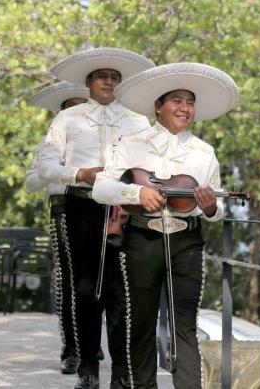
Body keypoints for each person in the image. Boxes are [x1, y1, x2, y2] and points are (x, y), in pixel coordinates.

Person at [92, 62, 240, 389]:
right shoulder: (131, 142)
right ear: (158, 106)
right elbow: (101, 189)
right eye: (176, 100)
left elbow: (217, 209)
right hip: (141, 239)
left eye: (189, 102)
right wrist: (136, 192)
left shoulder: (204, 153)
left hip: (186, 242)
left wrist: (211, 206)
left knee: (184, 326)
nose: (184, 108)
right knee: (140, 324)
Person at [36, 47, 154, 389]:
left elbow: (148, 167)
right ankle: (87, 368)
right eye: (102, 76)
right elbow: (46, 167)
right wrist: (81, 173)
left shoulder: (137, 120)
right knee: (86, 289)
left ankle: (122, 373)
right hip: (81, 207)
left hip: (124, 208)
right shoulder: (66, 119)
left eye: (115, 77)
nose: (109, 81)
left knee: (122, 291)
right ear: (88, 82)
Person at [25, 81, 89, 375]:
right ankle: (71, 350)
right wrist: (53, 168)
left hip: (95, 210)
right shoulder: (50, 143)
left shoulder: (98, 142)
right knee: (66, 280)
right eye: (70, 107)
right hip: (62, 209)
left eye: (81, 106)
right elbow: (30, 183)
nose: (76, 112)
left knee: (95, 281)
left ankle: (90, 343)